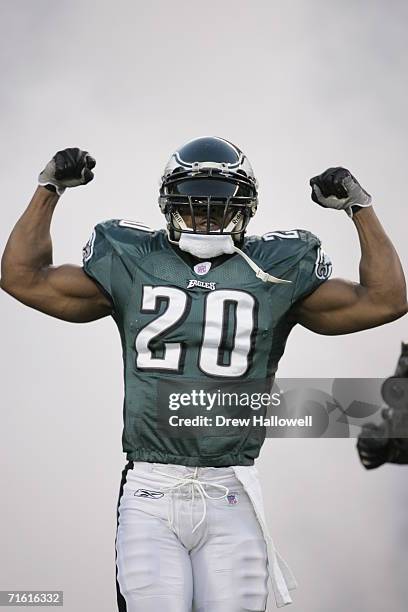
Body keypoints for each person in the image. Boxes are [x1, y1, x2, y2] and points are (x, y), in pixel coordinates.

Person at [1, 137, 406, 612]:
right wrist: (48, 188)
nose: (206, 215)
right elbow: (22, 277)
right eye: (195, 204)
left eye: (219, 205)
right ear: (170, 204)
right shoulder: (134, 258)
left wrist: (361, 208)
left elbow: (386, 300)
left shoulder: (274, 270)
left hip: (232, 489)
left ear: (245, 208)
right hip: (151, 488)